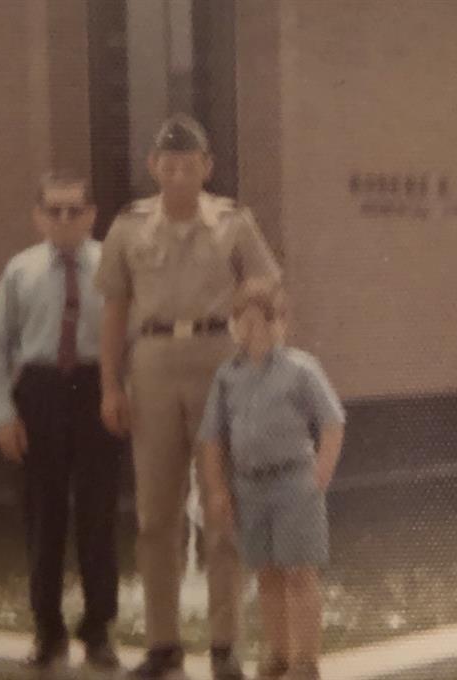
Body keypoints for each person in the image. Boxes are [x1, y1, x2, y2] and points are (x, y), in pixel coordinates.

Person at [96, 114, 281, 679]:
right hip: (152, 364)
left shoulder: (234, 222)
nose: (178, 175)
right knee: (156, 512)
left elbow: (267, 293)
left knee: (224, 506)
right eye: (169, 165)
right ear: (153, 167)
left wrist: (264, 375)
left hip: (219, 361)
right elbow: (114, 310)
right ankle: (163, 644)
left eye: (189, 165)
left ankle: (226, 645)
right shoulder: (128, 226)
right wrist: (110, 385)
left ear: (207, 167)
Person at [0, 173, 123, 672]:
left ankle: (98, 630)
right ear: (38, 217)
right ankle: (47, 631)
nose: (64, 219)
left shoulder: (111, 266)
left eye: (73, 210)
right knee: (43, 517)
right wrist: (4, 414)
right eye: (53, 210)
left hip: (97, 391)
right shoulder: (20, 271)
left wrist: (121, 392)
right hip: (40, 394)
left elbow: (130, 338)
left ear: (91, 215)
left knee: (98, 515)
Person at [198, 279, 345, 680]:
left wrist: (320, 475)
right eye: (245, 322)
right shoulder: (227, 377)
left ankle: (305, 661)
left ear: (281, 323)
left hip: (293, 483)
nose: (255, 330)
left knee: (299, 571)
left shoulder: (301, 369)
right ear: (234, 327)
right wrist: (218, 490)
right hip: (249, 486)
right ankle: (279, 654)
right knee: (266, 574)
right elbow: (212, 438)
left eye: (264, 320)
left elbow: (332, 423)